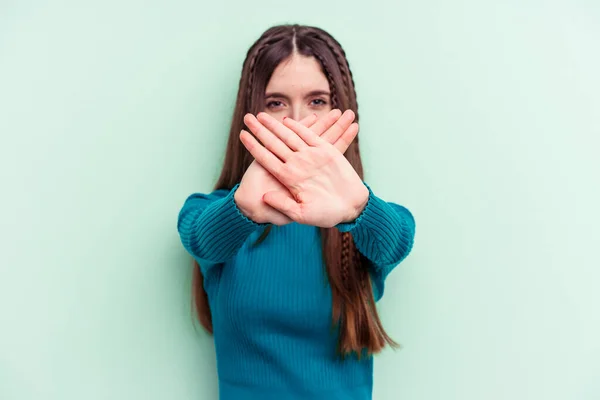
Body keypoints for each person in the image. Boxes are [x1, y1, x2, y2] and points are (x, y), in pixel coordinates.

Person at [177, 24, 416, 400]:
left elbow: (399, 237)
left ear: (340, 110)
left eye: (317, 101)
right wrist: (242, 206)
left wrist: (359, 206)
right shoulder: (214, 214)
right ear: (252, 111)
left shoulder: (359, 222)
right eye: (276, 103)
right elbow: (198, 236)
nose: (297, 122)